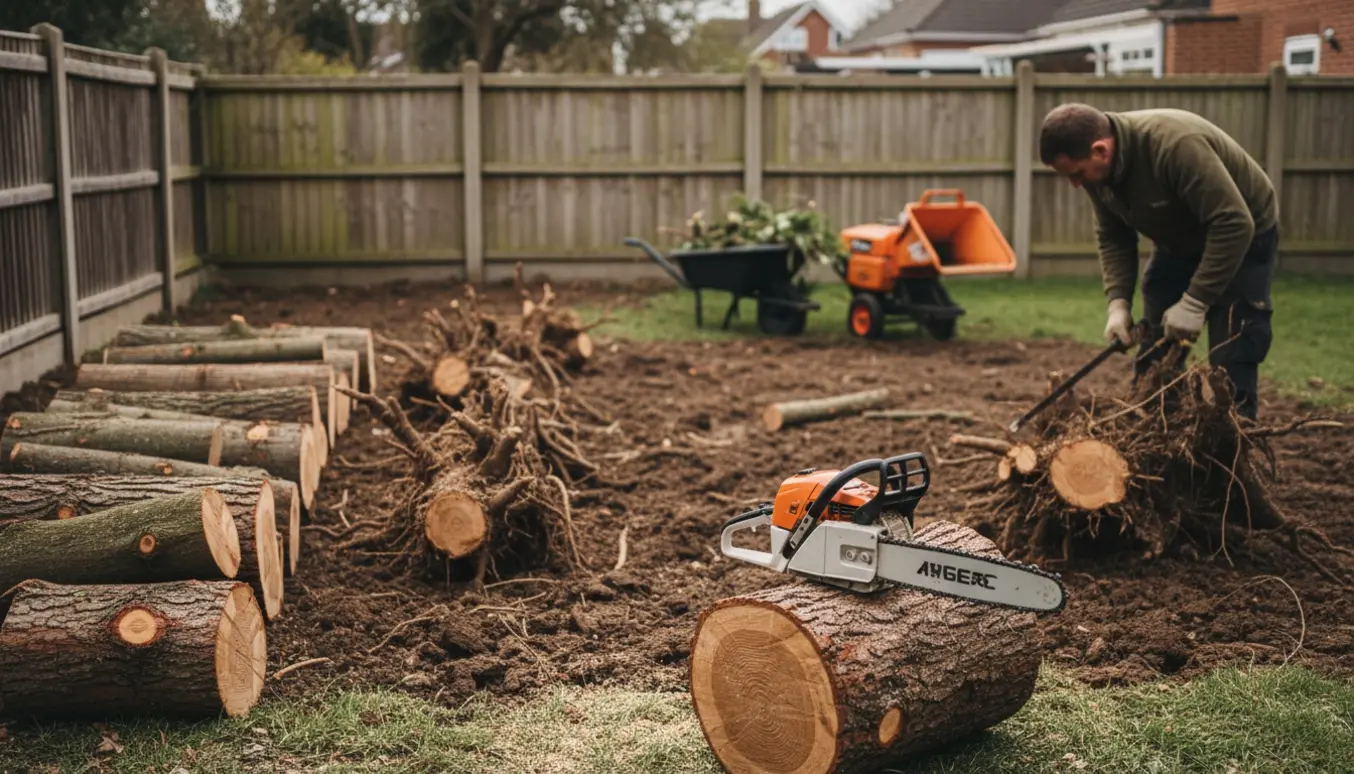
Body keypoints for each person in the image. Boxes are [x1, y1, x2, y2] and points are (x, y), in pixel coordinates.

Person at [1038, 103, 1279, 420]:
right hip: (1177, 241)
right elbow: (1113, 235)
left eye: (1077, 173)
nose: (1076, 184)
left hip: (1242, 240)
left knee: (1232, 352)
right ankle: (1154, 438)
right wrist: (1118, 303)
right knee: (1155, 351)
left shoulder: (1174, 145)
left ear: (1101, 150)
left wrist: (1195, 302)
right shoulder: (1099, 175)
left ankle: (1231, 448)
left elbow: (1234, 223)